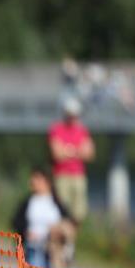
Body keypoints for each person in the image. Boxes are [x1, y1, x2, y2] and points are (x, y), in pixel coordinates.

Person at [11, 168, 75, 268]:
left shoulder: (56, 203)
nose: (33, 182)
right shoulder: (28, 202)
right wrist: (25, 233)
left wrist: (57, 232)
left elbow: (69, 223)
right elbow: (16, 222)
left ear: (47, 182)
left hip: (53, 251)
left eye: (37, 179)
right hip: (33, 249)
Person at [47, 96, 93, 225]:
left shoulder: (82, 130)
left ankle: (72, 234)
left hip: (78, 175)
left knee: (79, 212)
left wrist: (67, 151)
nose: (73, 117)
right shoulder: (56, 129)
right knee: (61, 209)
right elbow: (57, 154)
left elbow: (89, 154)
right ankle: (63, 233)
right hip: (61, 175)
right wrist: (78, 151)